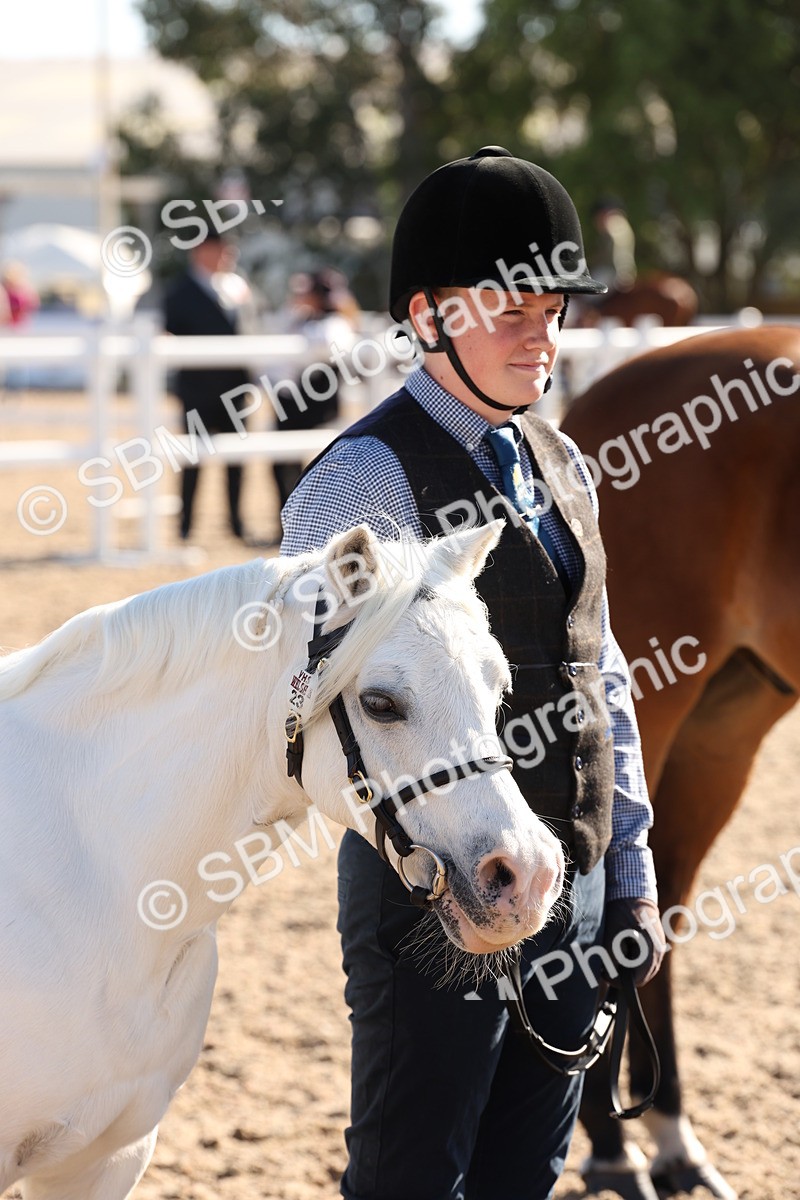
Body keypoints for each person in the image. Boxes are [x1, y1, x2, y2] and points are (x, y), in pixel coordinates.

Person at [280, 146, 665, 1200]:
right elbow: (317, 703)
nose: (540, 338)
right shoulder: (363, 478)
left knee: (521, 1177)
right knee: (413, 1177)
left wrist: (623, 866)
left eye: (551, 312)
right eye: (509, 310)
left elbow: (604, 670)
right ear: (429, 316)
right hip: (432, 896)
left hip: (565, 876)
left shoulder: (557, 458)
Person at [162, 230, 252, 541]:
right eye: (220, 251)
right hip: (197, 389)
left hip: (235, 388)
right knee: (193, 459)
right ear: (201, 251)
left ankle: (236, 523)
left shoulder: (236, 287)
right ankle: (186, 524)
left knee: (237, 460)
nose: (227, 257)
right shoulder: (179, 292)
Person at [271, 269, 359, 517]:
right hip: (294, 402)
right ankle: (286, 518)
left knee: (319, 468)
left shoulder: (335, 323)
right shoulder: (301, 319)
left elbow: (328, 345)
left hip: (319, 405)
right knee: (281, 464)